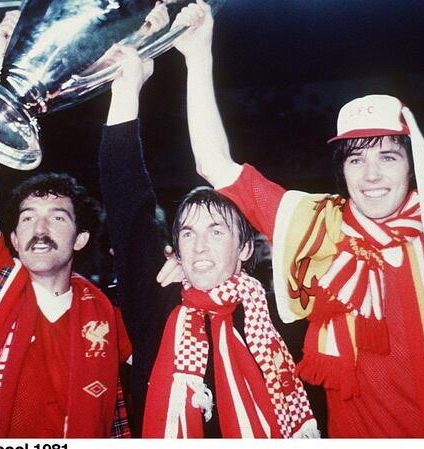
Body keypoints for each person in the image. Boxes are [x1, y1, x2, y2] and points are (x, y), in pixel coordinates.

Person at [170, 0, 424, 438]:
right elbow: (215, 166)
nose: (372, 175)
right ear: (342, 170)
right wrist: (198, 56)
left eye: (388, 157)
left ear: (413, 165)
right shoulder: (319, 224)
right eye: (357, 160)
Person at [96, 35, 318, 437]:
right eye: (188, 232)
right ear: (175, 247)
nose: (199, 245)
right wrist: (126, 90)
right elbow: (126, 200)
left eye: (216, 231)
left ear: (246, 247)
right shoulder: (158, 305)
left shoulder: (284, 315)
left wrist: (199, 56)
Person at [0, 11, 131, 438]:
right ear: (12, 238)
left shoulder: (105, 311)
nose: (39, 229)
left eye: (57, 217)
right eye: (27, 218)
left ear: (81, 238)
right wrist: (0, 69)